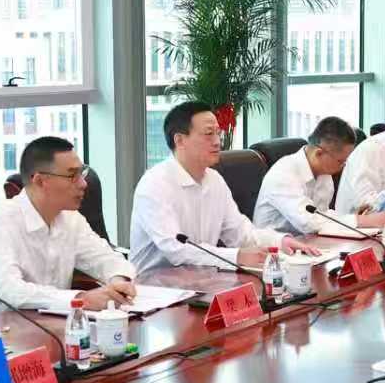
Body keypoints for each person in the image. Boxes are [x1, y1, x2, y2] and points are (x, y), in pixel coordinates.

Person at [129, 101, 318, 276]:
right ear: (179, 140)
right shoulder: (155, 184)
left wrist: (280, 242)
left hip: (202, 280)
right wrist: (237, 256)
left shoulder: (214, 180)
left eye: (218, 133)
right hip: (154, 288)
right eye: (208, 134)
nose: (217, 141)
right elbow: (176, 250)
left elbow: (240, 234)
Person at [0, 136, 135, 320]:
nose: (83, 184)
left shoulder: (71, 219)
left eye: (82, 173)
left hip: (54, 325)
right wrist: (82, 299)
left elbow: (108, 259)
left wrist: (117, 284)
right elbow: (13, 292)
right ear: (40, 181)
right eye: (72, 176)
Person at [252, 116, 385, 236]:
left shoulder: (324, 175)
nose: (343, 166)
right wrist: (361, 221)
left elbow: (323, 215)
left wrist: (355, 218)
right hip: (274, 251)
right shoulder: (283, 174)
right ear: (319, 153)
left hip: (310, 245)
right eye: (340, 161)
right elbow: (309, 222)